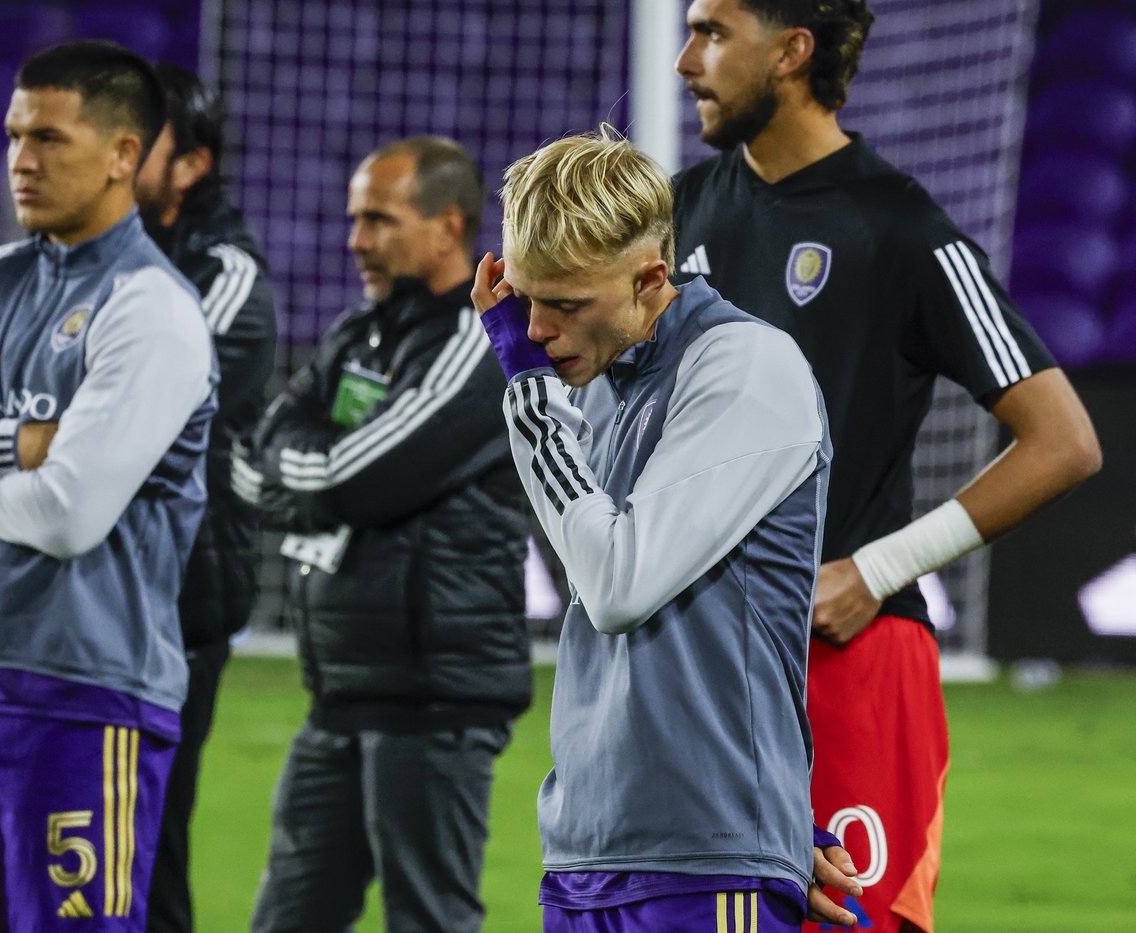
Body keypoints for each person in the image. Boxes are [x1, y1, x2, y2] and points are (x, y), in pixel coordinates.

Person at [671, 2, 1104, 930]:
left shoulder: (900, 225)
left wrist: (878, 569)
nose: (683, 61)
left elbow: (1064, 439)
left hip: (848, 660)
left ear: (792, 52)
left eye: (712, 32)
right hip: (705, 659)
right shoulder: (679, 212)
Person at [0, 41, 218, 931]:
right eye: (17, 135)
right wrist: (20, 443)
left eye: (51, 138)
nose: (21, 159)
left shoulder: (154, 310)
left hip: (87, 701)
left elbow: (68, 515)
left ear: (124, 156)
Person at [472, 128, 862, 933]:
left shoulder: (746, 368)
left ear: (652, 278)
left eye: (567, 304)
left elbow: (616, 586)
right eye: (524, 297)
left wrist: (526, 394)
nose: (536, 329)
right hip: (589, 849)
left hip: (701, 860)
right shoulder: (603, 382)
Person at [237, 136, 532, 933]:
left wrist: (303, 476)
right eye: (353, 219)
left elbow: (346, 480)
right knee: (288, 918)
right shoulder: (360, 332)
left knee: (428, 919)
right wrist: (311, 473)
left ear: (449, 226)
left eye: (378, 219)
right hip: (342, 685)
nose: (355, 239)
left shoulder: (480, 343)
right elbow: (277, 432)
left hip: (434, 689)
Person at [136, 63, 277, 933]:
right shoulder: (88, 254)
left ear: (189, 165)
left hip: (180, 591)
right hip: (97, 587)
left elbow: (151, 400)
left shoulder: (226, 272)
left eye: (134, 140)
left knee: (148, 838)